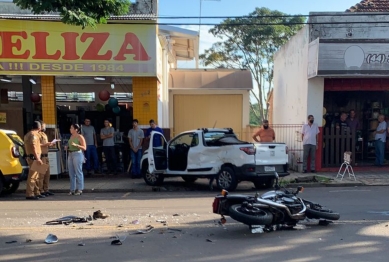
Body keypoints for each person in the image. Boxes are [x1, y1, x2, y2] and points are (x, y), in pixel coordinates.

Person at [24, 121, 45, 200]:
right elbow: (33, 147)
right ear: (39, 128)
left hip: (31, 157)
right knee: (32, 177)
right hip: (34, 158)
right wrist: (38, 158)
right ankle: (30, 194)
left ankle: (36, 192)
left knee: (36, 177)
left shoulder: (27, 134)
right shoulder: (34, 135)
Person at [65, 124, 87, 195]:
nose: (70, 129)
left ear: (76, 129)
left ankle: (80, 189)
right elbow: (70, 145)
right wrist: (67, 147)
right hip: (70, 154)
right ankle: (72, 189)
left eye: (71, 128)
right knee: (71, 173)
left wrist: (76, 145)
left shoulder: (80, 136)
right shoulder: (71, 136)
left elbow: (84, 148)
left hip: (77, 154)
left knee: (78, 172)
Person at [37, 121, 55, 196]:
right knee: (41, 175)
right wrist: (45, 144)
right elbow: (37, 144)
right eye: (43, 126)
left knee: (47, 174)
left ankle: (46, 189)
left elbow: (45, 144)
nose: (44, 127)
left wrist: (50, 144)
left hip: (46, 156)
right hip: (42, 156)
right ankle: (40, 190)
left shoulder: (44, 134)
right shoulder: (37, 134)